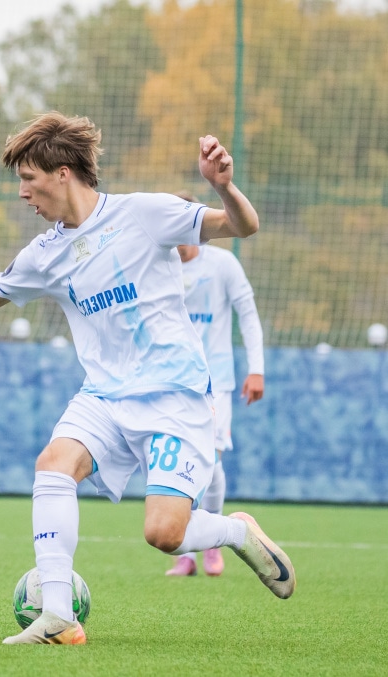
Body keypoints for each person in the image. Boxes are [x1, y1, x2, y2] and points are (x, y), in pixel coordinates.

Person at [0, 112, 295, 645]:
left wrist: (224, 187)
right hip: (104, 397)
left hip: (174, 397)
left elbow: (242, 226)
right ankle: (58, 616)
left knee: (163, 534)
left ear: (62, 173)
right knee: (53, 464)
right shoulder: (45, 254)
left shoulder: (143, 214)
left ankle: (236, 530)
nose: (23, 194)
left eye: (28, 180)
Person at [165, 199, 265, 578]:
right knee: (180, 463)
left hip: (216, 382)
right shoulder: (161, 266)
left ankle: (210, 542)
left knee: (212, 456)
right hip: (172, 381)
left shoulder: (223, 264)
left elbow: (248, 314)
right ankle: (188, 550)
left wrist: (256, 369)